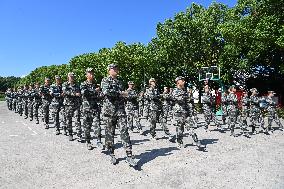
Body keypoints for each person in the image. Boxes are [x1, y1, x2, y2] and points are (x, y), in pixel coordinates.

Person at [101, 64, 137, 166]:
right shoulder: (105, 80)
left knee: (125, 132)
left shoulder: (120, 82)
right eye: (114, 68)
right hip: (109, 112)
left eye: (117, 68)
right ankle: (111, 154)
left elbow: (123, 94)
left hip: (120, 111)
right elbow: (107, 92)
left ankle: (129, 155)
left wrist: (125, 95)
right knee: (109, 134)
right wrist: (121, 93)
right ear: (109, 70)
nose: (116, 70)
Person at [80, 68, 103, 150]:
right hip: (87, 108)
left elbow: (99, 95)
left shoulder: (96, 85)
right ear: (86, 75)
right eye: (89, 73)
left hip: (95, 108)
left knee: (98, 125)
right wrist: (94, 91)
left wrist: (100, 94)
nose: (91, 74)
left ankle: (99, 140)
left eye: (92, 73)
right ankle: (88, 141)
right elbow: (84, 93)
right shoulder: (83, 84)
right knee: (87, 127)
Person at [62, 72, 81, 141]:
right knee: (69, 120)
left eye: (73, 76)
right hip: (68, 105)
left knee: (77, 120)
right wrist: (75, 94)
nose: (72, 77)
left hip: (76, 105)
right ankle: (70, 134)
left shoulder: (77, 85)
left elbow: (80, 93)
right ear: (68, 77)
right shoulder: (65, 84)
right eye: (71, 76)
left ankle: (79, 134)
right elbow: (65, 92)